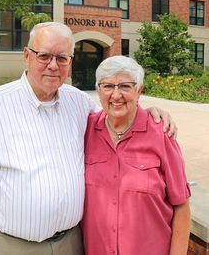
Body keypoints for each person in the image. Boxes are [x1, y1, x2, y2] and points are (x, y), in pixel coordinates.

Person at [0, 21, 176, 255]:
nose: (53, 65)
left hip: (71, 245)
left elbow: (116, 113)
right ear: (27, 56)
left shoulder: (79, 103)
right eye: (44, 56)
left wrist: (148, 112)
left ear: (70, 62)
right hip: (11, 246)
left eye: (62, 58)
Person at [82, 55, 191, 255]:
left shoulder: (161, 134)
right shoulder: (85, 130)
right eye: (108, 87)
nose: (116, 95)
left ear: (139, 90)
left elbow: (181, 207)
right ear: (98, 91)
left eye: (125, 86)